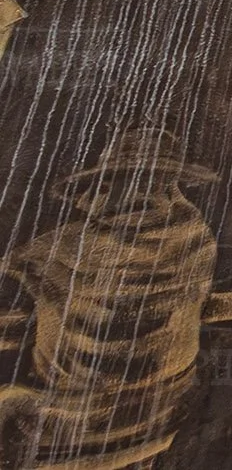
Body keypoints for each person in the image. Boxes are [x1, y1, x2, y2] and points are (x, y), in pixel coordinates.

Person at [0, 127, 220, 465]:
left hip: (69, 429)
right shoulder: (199, 241)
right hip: (159, 422)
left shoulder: (61, 248)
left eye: (104, 184)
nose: (92, 195)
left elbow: (13, 264)